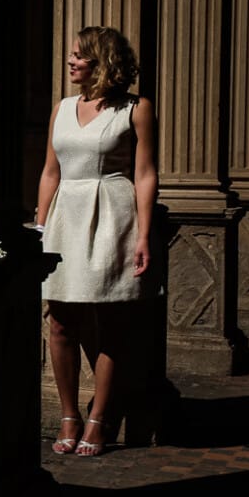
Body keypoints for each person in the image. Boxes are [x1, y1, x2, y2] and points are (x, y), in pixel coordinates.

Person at [35, 26, 157, 457]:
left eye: (79, 56)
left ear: (102, 62)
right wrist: (40, 225)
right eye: (71, 55)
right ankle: (70, 413)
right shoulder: (63, 108)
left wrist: (143, 234)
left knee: (112, 324)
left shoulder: (136, 108)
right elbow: (51, 171)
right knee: (60, 320)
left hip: (113, 214)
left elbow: (144, 174)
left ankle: (100, 417)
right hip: (66, 214)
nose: (70, 62)